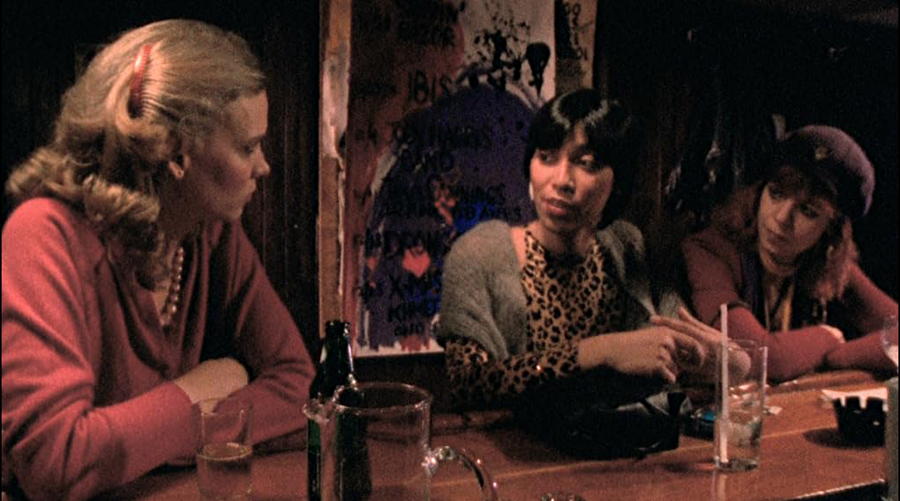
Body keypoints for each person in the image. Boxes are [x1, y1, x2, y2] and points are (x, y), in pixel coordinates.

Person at [1, 20, 314, 500]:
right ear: (177, 154)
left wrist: (153, 436)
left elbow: (298, 385)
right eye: (247, 147)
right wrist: (199, 389)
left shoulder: (211, 233)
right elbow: (54, 462)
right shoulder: (45, 235)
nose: (264, 166)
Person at [436, 88, 747, 438]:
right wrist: (598, 352)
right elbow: (469, 383)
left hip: (616, 454)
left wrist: (726, 362)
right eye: (547, 157)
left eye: (586, 164)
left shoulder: (627, 247)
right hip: (517, 457)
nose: (561, 181)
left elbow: (679, 348)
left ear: (618, 181)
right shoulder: (482, 253)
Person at [682, 125, 898, 382]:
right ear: (758, 192)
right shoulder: (710, 250)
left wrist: (837, 356)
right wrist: (826, 337)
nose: (782, 218)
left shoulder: (828, 262)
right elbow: (753, 357)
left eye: (808, 211)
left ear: (830, 231)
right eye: (776, 193)